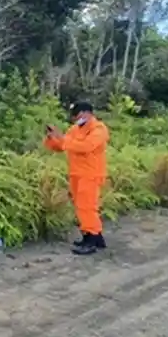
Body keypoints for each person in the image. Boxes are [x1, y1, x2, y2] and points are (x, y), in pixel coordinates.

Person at [45, 101, 110, 255]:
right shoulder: (75, 129)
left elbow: (85, 147)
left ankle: (91, 241)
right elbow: (62, 146)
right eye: (74, 116)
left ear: (88, 113)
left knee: (87, 207)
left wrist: (63, 138)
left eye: (78, 115)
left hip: (91, 174)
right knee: (81, 207)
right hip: (76, 174)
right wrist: (52, 138)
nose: (75, 119)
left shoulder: (99, 129)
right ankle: (96, 238)